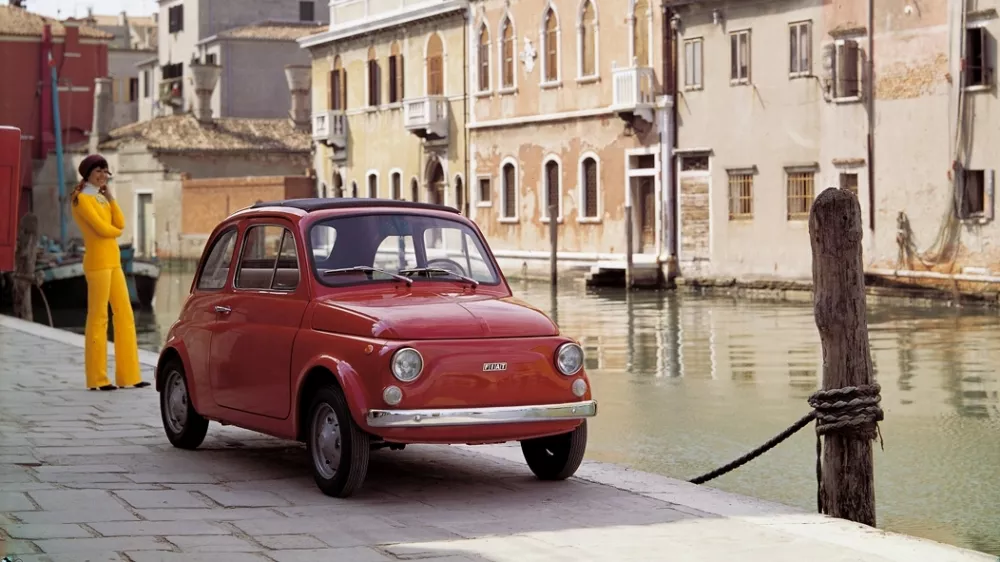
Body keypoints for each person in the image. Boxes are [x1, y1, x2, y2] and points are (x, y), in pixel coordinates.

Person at [70, 154, 149, 391]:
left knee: (124, 315)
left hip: (113, 262)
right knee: (98, 318)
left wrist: (111, 198)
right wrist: (114, 230)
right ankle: (97, 378)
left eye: (106, 172)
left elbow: (120, 223)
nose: (103, 176)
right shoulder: (81, 199)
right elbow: (104, 229)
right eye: (98, 172)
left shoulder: (102, 198)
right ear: (88, 174)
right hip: (97, 263)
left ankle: (129, 376)